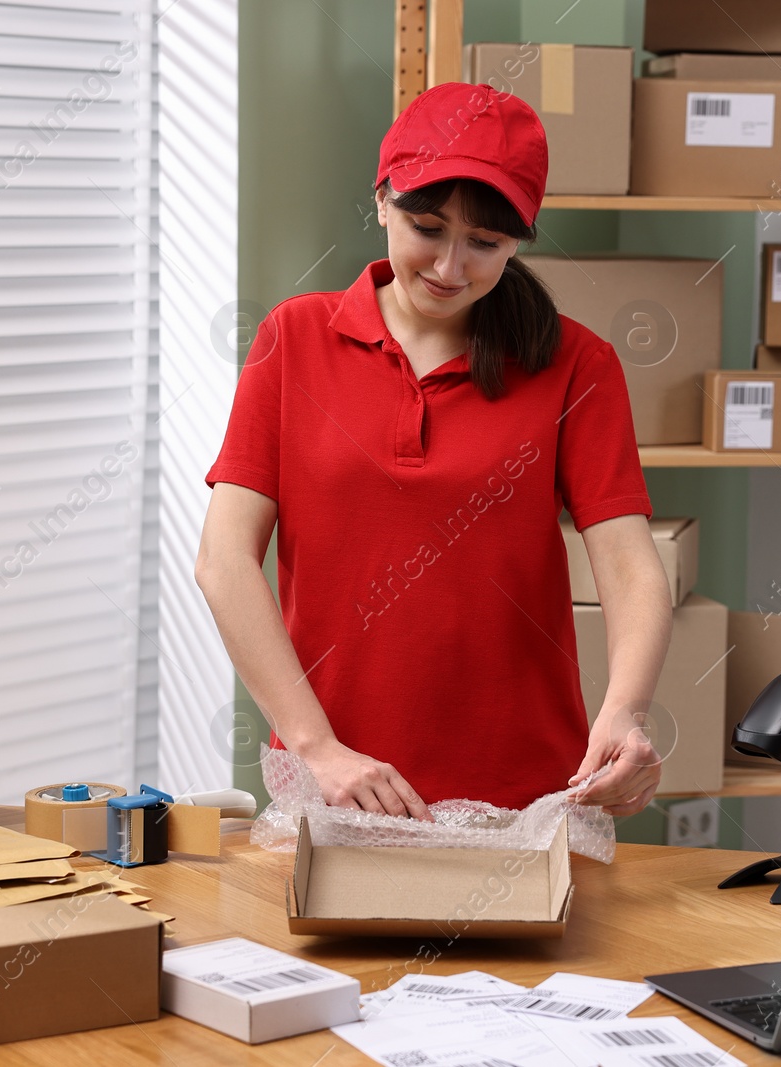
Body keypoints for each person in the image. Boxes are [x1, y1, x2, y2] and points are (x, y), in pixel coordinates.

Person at [195, 81, 672, 821]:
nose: (451, 268)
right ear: (382, 199)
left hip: (526, 795)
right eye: (428, 227)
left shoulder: (578, 365)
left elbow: (631, 565)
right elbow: (223, 561)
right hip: (336, 786)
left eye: (484, 244)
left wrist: (626, 711)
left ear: (518, 240)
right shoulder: (293, 340)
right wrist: (318, 747)